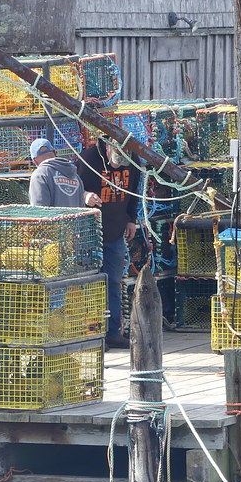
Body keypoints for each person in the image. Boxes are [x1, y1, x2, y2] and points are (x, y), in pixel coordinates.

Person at [78, 139, 141, 349]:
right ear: (107, 149)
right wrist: (85, 196)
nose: (119, 167)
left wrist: (131, 219)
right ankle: (92, 335)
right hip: (89, 232)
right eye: (115, 162)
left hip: (115, 231)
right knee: (90, 284)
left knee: (114, 282)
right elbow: (72, 190)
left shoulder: (133, 160)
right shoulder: (88, 160)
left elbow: (134, 192)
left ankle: (113, 332)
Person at [28, 138, 90, 208]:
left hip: (53, 219)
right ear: (55, 152)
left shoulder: (39, 175)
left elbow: (39, 211)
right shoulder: (75, 176)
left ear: (35, 161)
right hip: (76, 219)